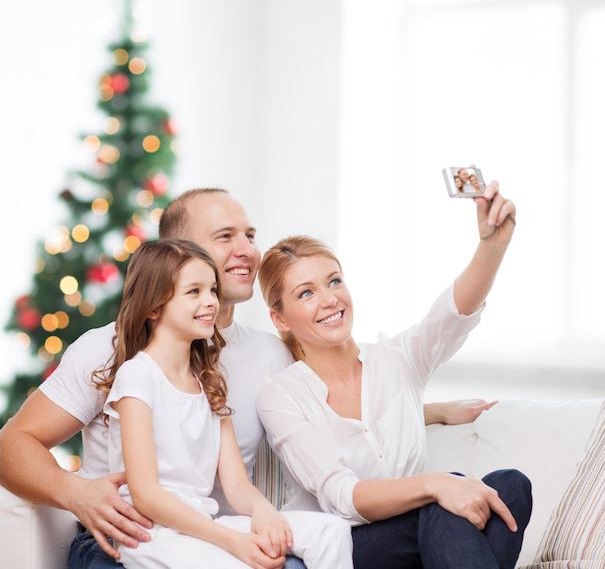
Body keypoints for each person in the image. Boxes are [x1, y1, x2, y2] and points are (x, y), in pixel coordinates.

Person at [0, 188, 494, 569]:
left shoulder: (271, 355)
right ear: (177, 252)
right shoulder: (112, 351)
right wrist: (74, 492)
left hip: (221, 535)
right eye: (225, 237)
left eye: (250, 235)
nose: (246, 250)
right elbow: (12, 443)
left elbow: (332, 403)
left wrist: (430, 411)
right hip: (132, 541)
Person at [256, 181, 533, 569]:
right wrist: (434, 483)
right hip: (348, 547)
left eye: (334, 280)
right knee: (445, 497)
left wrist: (492, 246)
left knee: (510, 485)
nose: (330, 299)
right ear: (280, 318)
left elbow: (452, 316)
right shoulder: (281, 396)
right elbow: (342, 496)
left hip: (425, 535)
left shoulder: (396, 360)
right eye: (306, 293)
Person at [94, 238, 352, 568]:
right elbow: (146, 495)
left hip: (204, 524)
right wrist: (235, 542)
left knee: (331, 532)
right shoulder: (137, 377)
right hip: (152, 534)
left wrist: (263, 512)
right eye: (194, 292)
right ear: (154, 307)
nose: (211, 302)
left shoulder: (209, 382)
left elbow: (237, 486)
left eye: (213, 290)